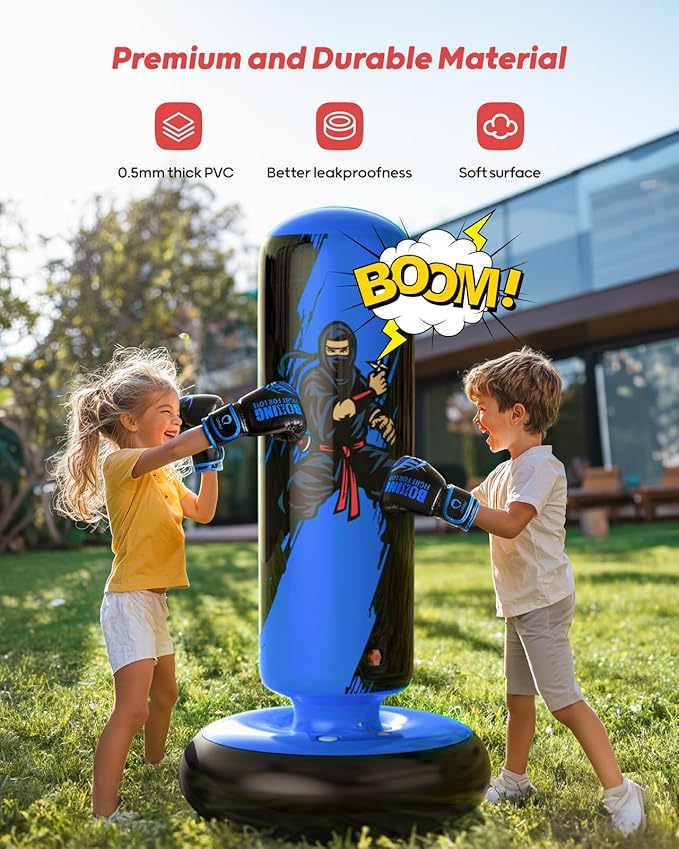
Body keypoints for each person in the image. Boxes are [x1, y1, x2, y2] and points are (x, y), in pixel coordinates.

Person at [381, 347, 646, 836]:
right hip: (520, 601)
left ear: (517, 413)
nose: (476, 419)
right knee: (518, 699)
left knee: (563, 702)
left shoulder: (541, 468)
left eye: (483, 409)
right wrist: (427, 494)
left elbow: (509, 523)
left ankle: (621, 791)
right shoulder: (505, 470)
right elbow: (470, 508)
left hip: (543, 600)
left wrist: (443, 501)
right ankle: (515, 780)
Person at [49, 347, 304, 819]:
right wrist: (231, 422)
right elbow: (171, 449)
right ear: (129, 421)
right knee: (133, 709)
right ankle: (103, 815)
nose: (176, 420)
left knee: (165, 694)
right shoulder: (123, 465)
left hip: (153, 602)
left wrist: (210, 461)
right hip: (127, 601)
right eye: (164, 411)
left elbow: (203, 512)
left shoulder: (164, 474)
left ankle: (154, 763)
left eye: (177, 412)